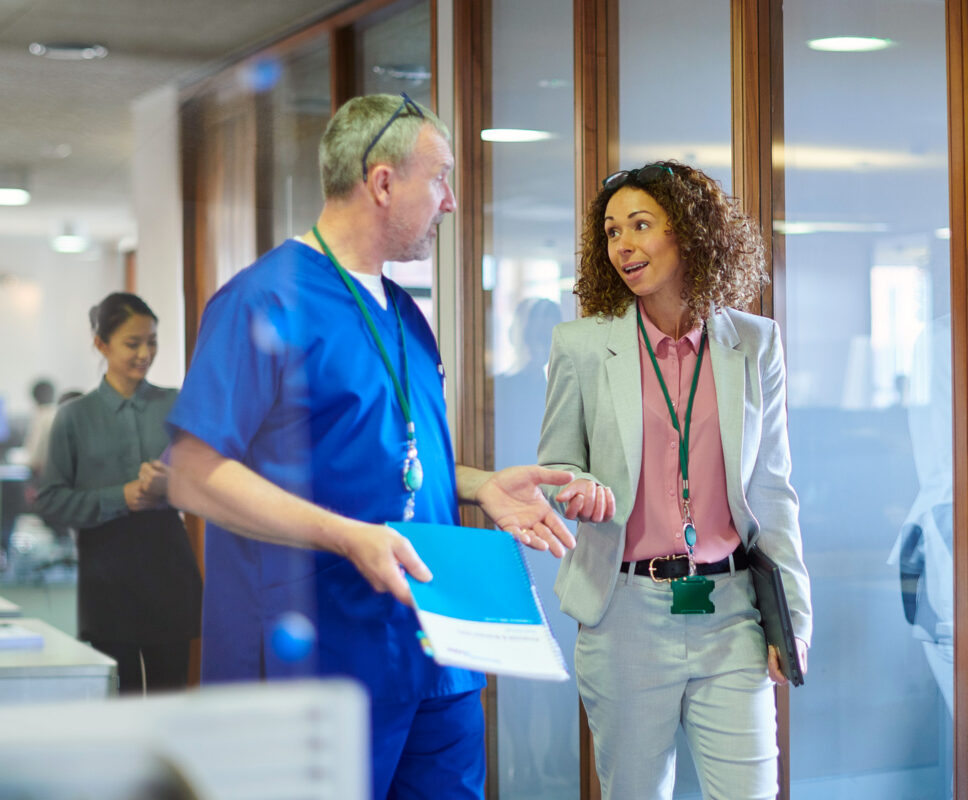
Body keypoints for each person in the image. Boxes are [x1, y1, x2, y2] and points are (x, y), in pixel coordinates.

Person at [164, 93, 578, 800]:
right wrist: (349, 536)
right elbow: (195, 477)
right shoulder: (262, 302)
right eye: (440, 177)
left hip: (436, 655)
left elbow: (390, 455)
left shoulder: (405, 313)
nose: (450, 202)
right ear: (383, 182)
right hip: (321, 665)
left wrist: (477, 487)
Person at [537, 161, 813, 799]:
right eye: (611, 232)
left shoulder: (755, 343)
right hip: (625, 611)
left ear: (689, 233)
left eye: (640, 225)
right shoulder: (582, 346)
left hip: (732, 611)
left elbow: (773, 491)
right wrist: (574, 488)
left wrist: (793, 620)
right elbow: (557, 467)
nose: (623, 245)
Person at [34, 292, 202, 694]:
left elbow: (209, 485)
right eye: (133, 343)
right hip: (108, 583)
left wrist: (170, 487)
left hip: (169, 576)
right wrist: (120, 497)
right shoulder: (74, 417)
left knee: (171, 700)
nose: (145, 353)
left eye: (152, 341)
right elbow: (51, 501)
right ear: (101, 344)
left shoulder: (176, 405)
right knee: (120, 703)